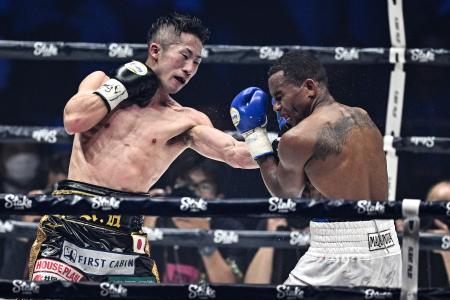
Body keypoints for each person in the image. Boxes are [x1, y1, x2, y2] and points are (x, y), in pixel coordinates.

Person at [28, 12, 256, 284]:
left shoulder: (185, 119)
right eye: (184, 56)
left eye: (197, 62)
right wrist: (121, 87)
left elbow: (235, 154)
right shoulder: (100, 82)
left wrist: (272, 139)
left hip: (125, 234)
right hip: (72, 222)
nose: (190, 68)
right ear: (155, 50)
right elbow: (74, 120)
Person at [230, 51, 401, 287]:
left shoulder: (300, 137)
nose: (277, 107)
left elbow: (285, 194)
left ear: (309, 87)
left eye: (279, 96)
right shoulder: (362, 116)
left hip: (339, 251)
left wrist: (255, 136)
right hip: (388, 246)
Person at [148, 155, 246, 284]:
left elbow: (230, 289)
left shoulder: (229, 229)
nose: (192, 192)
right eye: (185, 183)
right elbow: (130, 273)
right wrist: (146, 224)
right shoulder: (155, 219)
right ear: (169, 189)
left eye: (204, 186)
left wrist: (204, 239)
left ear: (218, 198)